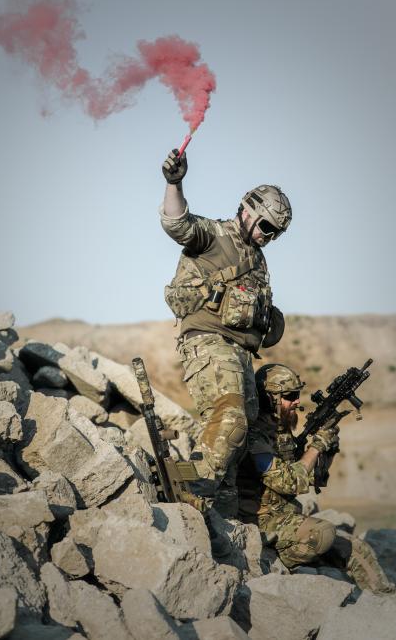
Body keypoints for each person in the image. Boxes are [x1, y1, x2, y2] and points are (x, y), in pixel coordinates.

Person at [160, 148, 291, 518]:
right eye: (266, 227)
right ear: (247, 210)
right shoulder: (214, 235)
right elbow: (177, 222)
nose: (269, 237)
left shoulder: (259, 262)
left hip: (241, 356)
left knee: (237, 445)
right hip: (208, 344)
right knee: (229, 418)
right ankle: (188, 495)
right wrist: (174, 182)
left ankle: (227, 531)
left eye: (276, 234)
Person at [236, 363, 396, 595]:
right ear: (270, 398)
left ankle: (391, 605)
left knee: (357, 548)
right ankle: (276, 561)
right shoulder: (255, 438)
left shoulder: (280, 431)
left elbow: (314, 479)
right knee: (322, 533)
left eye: (297, 395)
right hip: (261, 524)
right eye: (290, 396)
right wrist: (317, 445)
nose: (297, 402)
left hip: (287, 518)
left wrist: (327, 450)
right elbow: (289, 482)